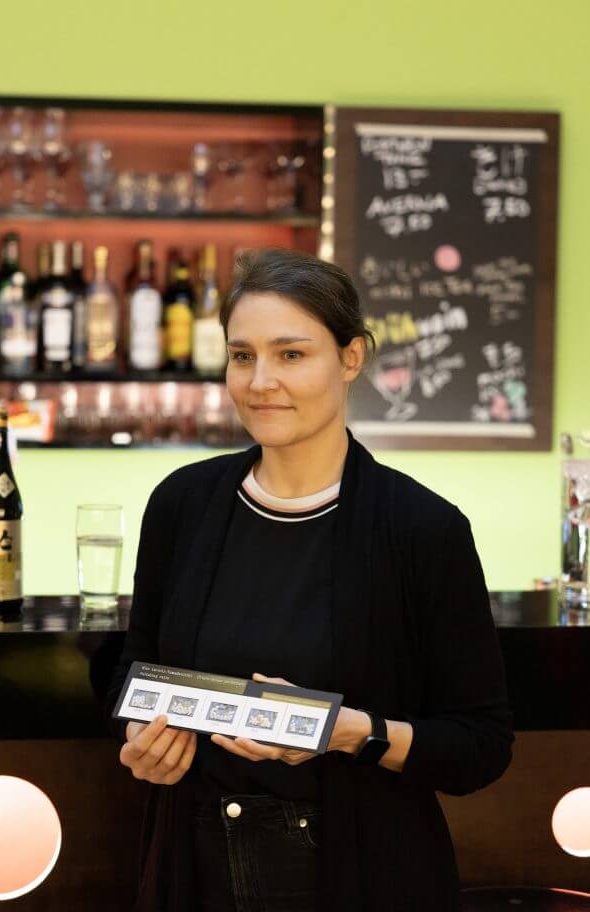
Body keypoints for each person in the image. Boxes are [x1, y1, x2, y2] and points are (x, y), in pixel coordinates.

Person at [106, 247, 514, 912]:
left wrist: (343, 730)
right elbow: (135, 672)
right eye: (242, 356)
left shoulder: (422, 528)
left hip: (364, 872)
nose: (259, 380)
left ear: (350, 358)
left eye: (290, 354)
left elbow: (479, 746)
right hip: (192, 868)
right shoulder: (182, 503)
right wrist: (142, 743)